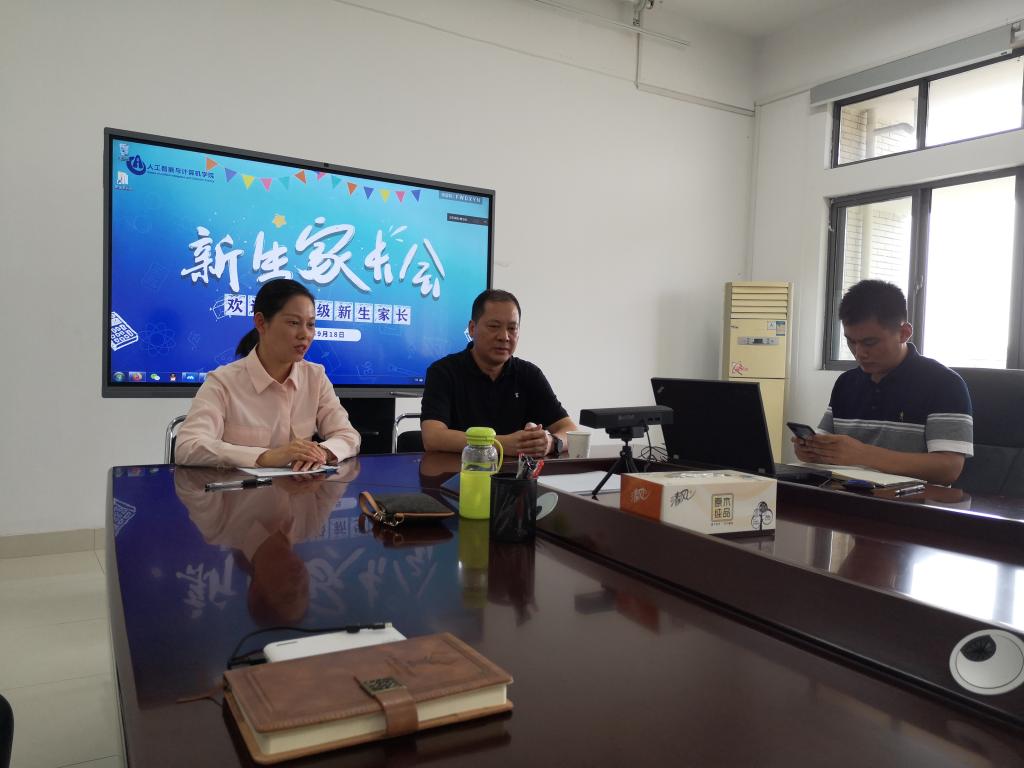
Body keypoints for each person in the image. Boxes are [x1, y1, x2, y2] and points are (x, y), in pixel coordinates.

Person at [793, 279, 972, 485]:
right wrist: (811, 450)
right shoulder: (846, 383)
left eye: (870, 342)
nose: (859, 353)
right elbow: (828, 445)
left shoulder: (945, 384)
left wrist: (863, 455)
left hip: (912, 501)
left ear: (904, 333)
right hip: (847, 496)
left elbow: (949, 468)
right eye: (851, 341)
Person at [175, 278, 361, 468]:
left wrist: (321, 452)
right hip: (239, 487)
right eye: (294, 322)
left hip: (300, 486)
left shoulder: (316, 377)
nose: (305, 334)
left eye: (311, 324)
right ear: (261, 323)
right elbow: (187, 446)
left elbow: (348, 435)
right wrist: (264, 457)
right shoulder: (222, 382)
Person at [420, 289, 578, 456]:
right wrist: (500, 444)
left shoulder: (529, 374)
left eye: (512, 328)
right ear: (472, 329)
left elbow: (571, 431)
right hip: (460, 470)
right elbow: (432, 437)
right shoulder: (443, 372)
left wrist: (551, 442)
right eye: (494, 327)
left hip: (515, 472)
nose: (504, 336)